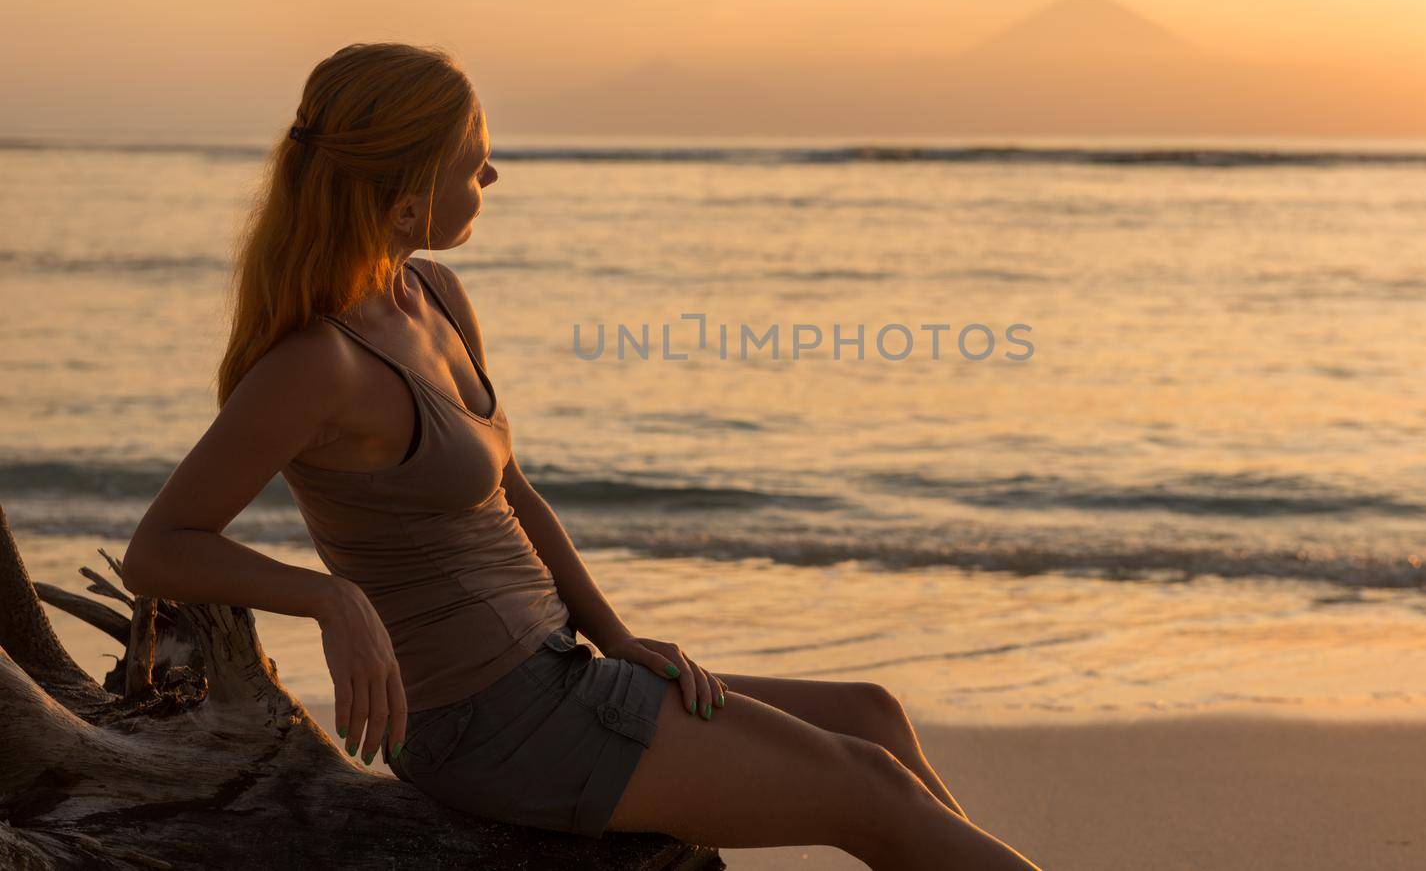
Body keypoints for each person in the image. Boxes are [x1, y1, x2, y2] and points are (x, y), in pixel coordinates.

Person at [121, 42, 1042, 869]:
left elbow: (513, 492)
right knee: (866, 788)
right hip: (487, 725)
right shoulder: (316, 365)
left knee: (873, 717)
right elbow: (160, 547)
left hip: (561, 671)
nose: (492, 172)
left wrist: (615, 633)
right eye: (469, 161)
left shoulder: (433, 294)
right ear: (407, 197)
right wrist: (329, 597)